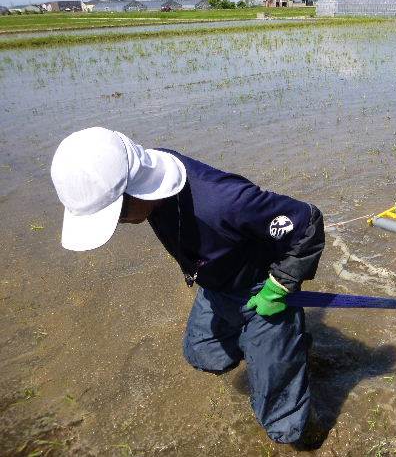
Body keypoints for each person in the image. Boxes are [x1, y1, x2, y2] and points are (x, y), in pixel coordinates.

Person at [50, 126, 325, 444]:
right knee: (204, 355)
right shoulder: (149, 177)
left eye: (118, 214)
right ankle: (287, 349)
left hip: (261, 287)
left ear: (138, 189)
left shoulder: (226, 201)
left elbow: (308, 222)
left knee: (282, 424)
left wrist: (281, 285)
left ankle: (288, 363)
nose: (120, 223)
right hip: (215, 283)